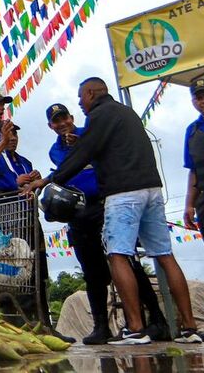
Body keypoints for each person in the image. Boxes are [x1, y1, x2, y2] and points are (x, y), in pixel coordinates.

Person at [26, 77, 201, 344]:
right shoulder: (124, 113)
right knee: (163, 255)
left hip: (121, 195)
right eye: (56, 120)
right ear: (51, 125)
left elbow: (83, 156)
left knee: (118, 256)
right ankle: (189, 329)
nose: (80, 105)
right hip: (149, 189)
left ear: (91, 93)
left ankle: (137, 328)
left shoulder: (98, 118)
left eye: (80, 99)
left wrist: (49, 180)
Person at [45, 102, 169, 343]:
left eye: (65, 119)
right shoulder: (54, 150)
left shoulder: (91, 134)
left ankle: (156, 320)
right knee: (93, 274)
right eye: (57, 121)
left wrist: (80, 144)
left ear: (72, 117)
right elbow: (68, 171)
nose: (63, 124)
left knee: (127, 261)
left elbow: (100, 157)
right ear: (51, 126)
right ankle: (101, 327)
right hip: (79, 213)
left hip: (106, 204)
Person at [0, 89, 65, 335]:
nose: (1, 107)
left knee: (31, 267)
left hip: (13, 203)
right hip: (0, 206)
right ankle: (25, 327)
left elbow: (7, 178)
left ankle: (42, 325)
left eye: (3, 104)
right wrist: (3, 144)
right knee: (17, 268)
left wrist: (26, 184)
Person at [182, 77, 204, 341]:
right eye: (198, 97)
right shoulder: (192, 131)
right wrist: (189, 204)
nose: (203, 100)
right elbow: (193, 170)